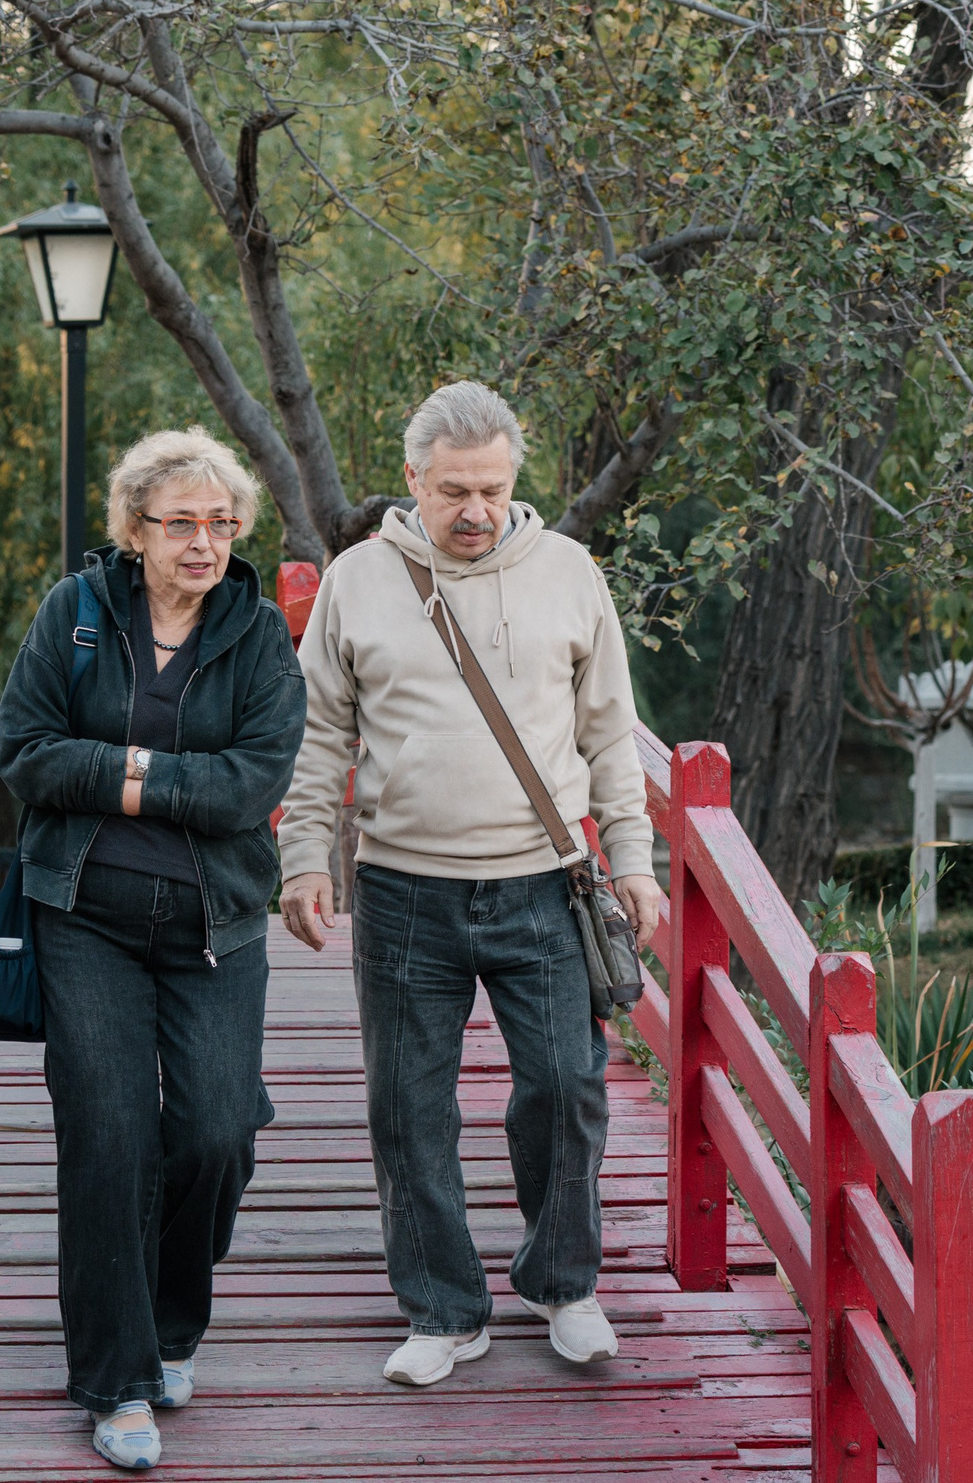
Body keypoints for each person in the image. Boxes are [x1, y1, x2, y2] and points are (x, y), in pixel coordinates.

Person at [276, 380, 664, 1386]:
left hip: (543, 884)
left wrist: (633, 858)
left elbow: (608, 734)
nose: (475, 510)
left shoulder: (570, 574)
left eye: (491, 487)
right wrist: (303, 856)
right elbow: (319, 737)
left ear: (513, 478)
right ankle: (443, 1308)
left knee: (567, 1087)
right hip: (403, 890)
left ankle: (563, 1282)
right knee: (408, 1105)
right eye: (453, 490)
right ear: (413, 481)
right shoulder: (359, 580)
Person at [0, 429, 307, 1473]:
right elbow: (25, 751)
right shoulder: (74, 615)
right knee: (110, 1137)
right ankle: (116, 1379)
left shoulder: (258, 636)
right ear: (135, 529)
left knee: (217, 1131)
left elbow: (249, 787)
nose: (204, 542)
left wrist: (122, 772)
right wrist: (167, 772)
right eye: (181, 522)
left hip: (215, 925)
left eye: (221, 524)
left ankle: (173, 1321)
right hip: (83, 915)